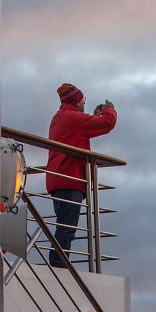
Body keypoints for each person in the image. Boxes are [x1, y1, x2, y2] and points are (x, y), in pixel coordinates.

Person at [46, 82, 117, 267]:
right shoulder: (72, 118)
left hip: (60, 179)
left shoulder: (61, 117)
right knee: (66, 228)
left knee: (65, 226)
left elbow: (80, 132)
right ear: (77, 102)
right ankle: (58, 266)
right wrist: (110, 109)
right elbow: (108, 123)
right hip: (69, 179)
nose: (84, 103)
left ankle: (59, 263)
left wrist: (92, 117)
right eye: (83, 100)